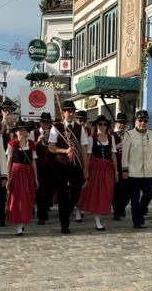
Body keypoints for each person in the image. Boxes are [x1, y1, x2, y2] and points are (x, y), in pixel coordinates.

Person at [48, 100, 88, 234]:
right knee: (63, 194)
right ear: (63, 113)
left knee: (76, 191)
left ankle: (67, 210)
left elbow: (83, 148)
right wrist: (64, 151)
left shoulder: (79, 128)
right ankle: (64, 224)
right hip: (61, 165)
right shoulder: (57, 127)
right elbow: (51, 147)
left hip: (75, 165)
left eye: (72, 111)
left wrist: (86, 167)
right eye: (68, 111)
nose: (70, 114)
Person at [78, 115, 118, 231]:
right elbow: (88, 155)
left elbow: (113, 155)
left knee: (107, 192)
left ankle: (98, 211)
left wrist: (116, 172)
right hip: (96, 168)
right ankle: (96, 220)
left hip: (107, 169)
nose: (103, 126)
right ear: (96, 125)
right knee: (95, 193)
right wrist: (86, 169)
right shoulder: (91, 139)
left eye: (105, 124)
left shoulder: (111, 138)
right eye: (100, 124)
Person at [122, 110, 152, 229]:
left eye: (145, 121)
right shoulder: (129, 134)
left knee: (149, 194)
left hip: (148, 171)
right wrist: (124, 169)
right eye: (140, 120)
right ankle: (137, 222)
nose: (143, 123)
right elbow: (125, 154)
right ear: (135, 121)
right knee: (134, 198)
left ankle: (142, 211)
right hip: (133, 172)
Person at [6, 120, 39, 236]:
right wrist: (7, 178)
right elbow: (9, 161)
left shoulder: (31, 144)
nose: (21, 132)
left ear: (27, 132)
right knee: (17, 199)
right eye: (19, 130)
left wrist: (36, 178)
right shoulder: (11, 144)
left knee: (27, 197)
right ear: (15, 132)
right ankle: (19, 225)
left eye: (23, 130)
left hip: (28, 173)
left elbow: (33, 162)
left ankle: (24, 220)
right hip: (16, 174)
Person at [0, 100, 16, 227]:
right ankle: (0, 215)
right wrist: (4, 128)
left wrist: (13, 129)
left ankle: (13, 213)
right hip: (0, 161)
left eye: (9, 111)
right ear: (1, 112)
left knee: (13, 189)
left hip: (13, 160)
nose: (7, 113)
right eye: (5, 110)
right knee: (1, 190)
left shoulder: (16, 126)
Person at [29, 112, 54, 225]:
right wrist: (39, 140)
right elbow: (29, 149)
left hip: (50, 165)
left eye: (48, 123)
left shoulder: (53, 133)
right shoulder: (33, 133)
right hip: (38, 166)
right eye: (44, 122)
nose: (46, 125)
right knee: (40, 192)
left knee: (49, 190)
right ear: (40, 123)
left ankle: (45, 209)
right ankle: (41, 215)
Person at [112, 113, 131, 220]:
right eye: (120, 123)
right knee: (116, 189)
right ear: (116, 123)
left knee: (127, 190)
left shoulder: (129, 134)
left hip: (127, 165)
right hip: (116, 165)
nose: (121, 125)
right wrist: (116, 146)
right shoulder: (111, 135)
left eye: (123, 123)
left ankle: (122, 207)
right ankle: (116, 211)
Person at [74, 110, 92, 223]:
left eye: (84, 120)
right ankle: (77, 209)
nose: (82, 122)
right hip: (74, 160)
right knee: (76, 187)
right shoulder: (73, 130)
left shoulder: (89, 133)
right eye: (80, 120)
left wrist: (87, 166)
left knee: (85, 187)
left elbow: (89, 152)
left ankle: (81, 208)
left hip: (86, 160)